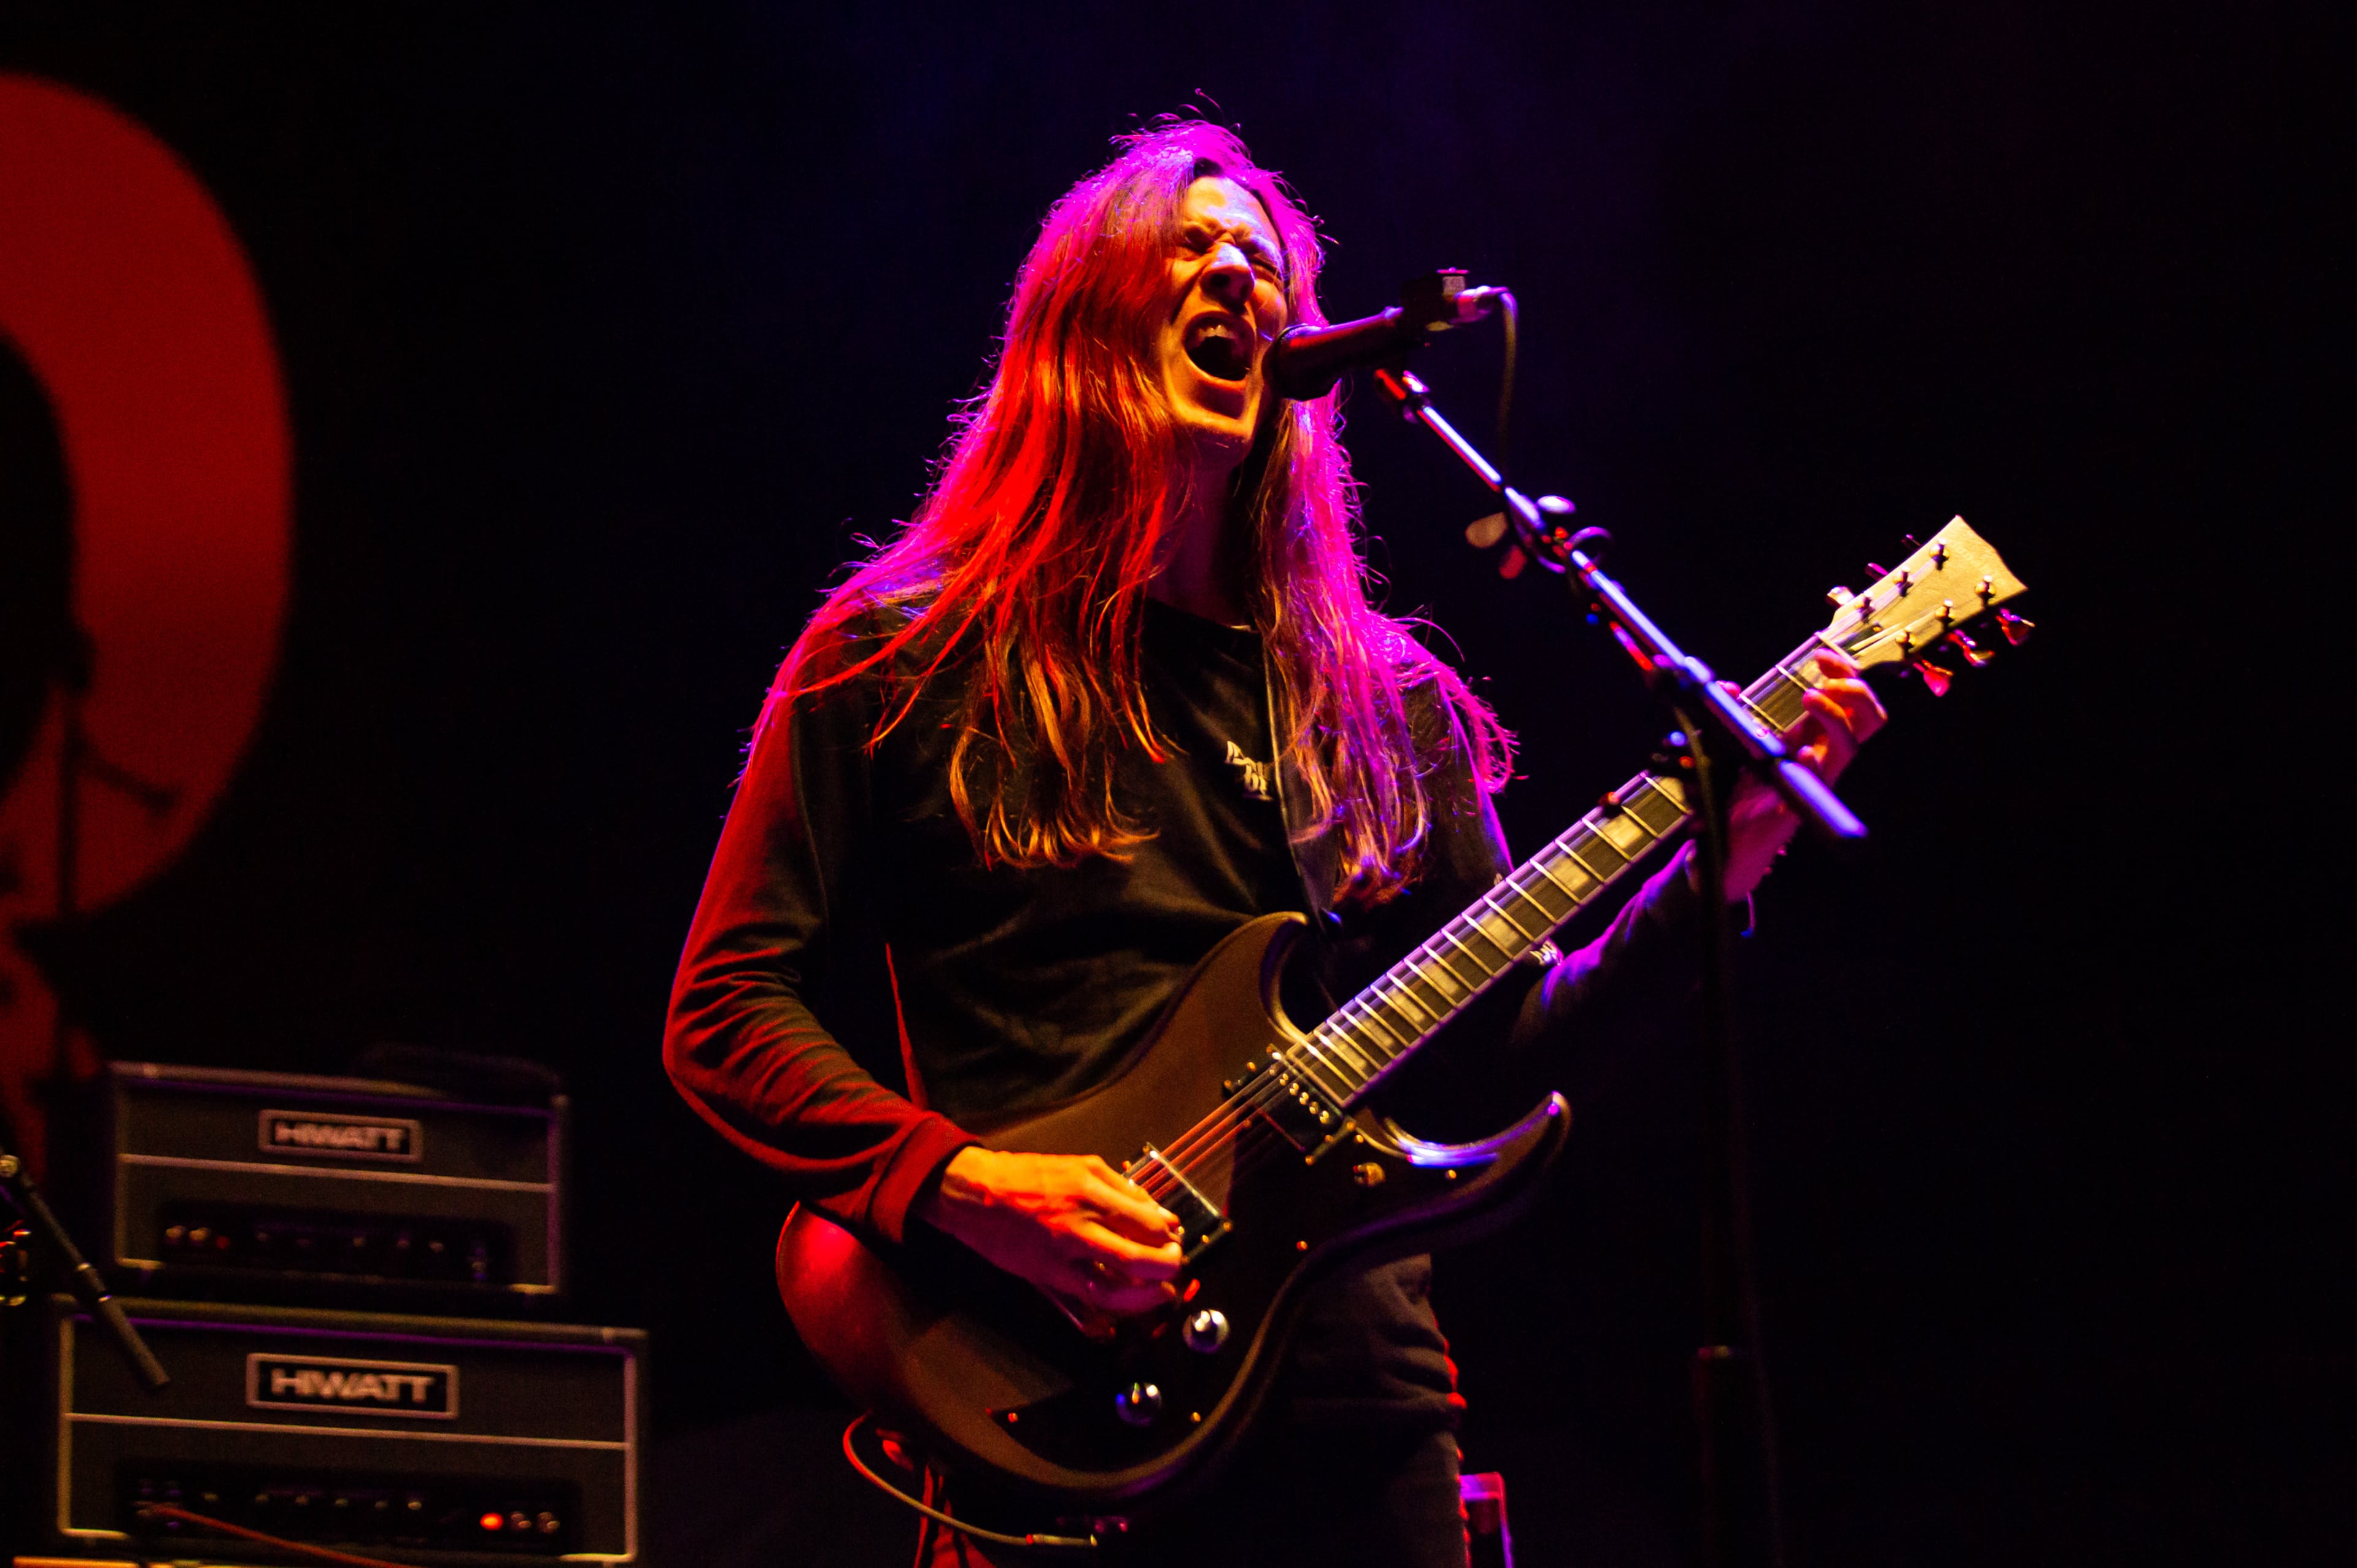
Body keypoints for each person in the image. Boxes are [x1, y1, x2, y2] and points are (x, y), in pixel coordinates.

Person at [664, 120, 1884, 1567]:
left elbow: (1500, 1045)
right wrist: (965, 1188)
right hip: (1054, 1397)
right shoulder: (907, 655)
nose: (1237, 274)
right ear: (1084, 319)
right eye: (1191, 247)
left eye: (1263, 260)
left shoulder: (1382, 703)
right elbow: (726, 1010)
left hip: (1359, 1414)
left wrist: (1717, 868)